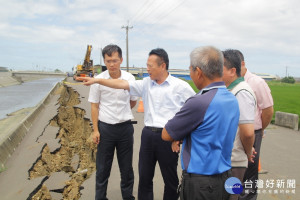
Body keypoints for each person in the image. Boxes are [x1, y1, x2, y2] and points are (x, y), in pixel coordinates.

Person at [77, 48, 195, 200]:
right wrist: (97, 80)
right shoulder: (145, 83)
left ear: (163, 66)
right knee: (144, 178)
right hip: (147, 135)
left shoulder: (181, 86)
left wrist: (179, 137)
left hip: (168, 136)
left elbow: (192, 113)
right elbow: (120, 85)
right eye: (147, 65)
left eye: (150, 66)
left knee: (170, 179)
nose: (147, 69)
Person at [161, 46, 240, 200]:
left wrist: (181, 134)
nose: (190, 74)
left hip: (201, 183)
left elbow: (166, 134)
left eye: (190, 70)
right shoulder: (231, 98)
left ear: (198, 71)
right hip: (225, 177)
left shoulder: (199, 102)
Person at [88, 44, 138, 200]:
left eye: (115, 60)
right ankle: (100, 197)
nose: (112, 64)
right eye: (108, 60)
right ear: (104, 60)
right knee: (103, 168)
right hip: (105, 129)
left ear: (121, 60)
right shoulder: (99, 80)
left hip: (125, 128)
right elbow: (94, 106)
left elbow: (133, 101)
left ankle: (127, 196)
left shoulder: (129, 79)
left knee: (126, 168)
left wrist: (121, 113)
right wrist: (96, 130)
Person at [235, 50, 274, 200]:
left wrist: (260, 129)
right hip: (234, 133)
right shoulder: (229, 82)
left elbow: (268, 110)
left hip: (252, 132)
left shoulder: (256, 82)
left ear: (242, 64)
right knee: (235, 171)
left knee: (249, 173)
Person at [222, 49, 256, 200]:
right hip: (229, 159)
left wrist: (248, 152)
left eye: (220, 67)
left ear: (232, 71)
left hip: (234, 162)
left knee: (231, 197)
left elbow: (248, 132)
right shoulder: (232, 90)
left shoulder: (242, 92)